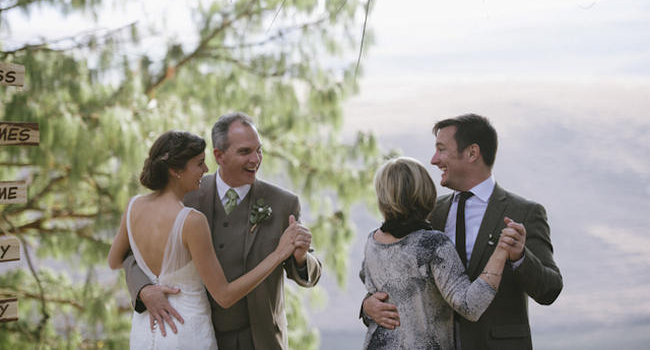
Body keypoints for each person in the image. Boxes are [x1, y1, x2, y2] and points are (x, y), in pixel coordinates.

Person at [362, 114, 563, 350]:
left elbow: (550, 290)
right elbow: (388, 273)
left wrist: (520, 256)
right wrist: (368, 306)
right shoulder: (427, 213)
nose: (434, 160)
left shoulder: (525, 212)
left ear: (472, 153)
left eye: (441, 149)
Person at [123, 113, 321, 350]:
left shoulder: (282, 203)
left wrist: (301, 258)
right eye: (245, 152)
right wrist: (143, 290)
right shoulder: (185, 195)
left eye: (259, 150)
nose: (256, 159)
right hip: (195, 333)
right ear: (219, 156)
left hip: (259, 338)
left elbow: (311, 273)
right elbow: (131, 250)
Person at [360, 156, 510, 349]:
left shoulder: (371, 241)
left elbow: (375, 292)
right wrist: (501, 251)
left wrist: (366, 307)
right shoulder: (432, 243)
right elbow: (470, 306)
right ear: (425, 191)